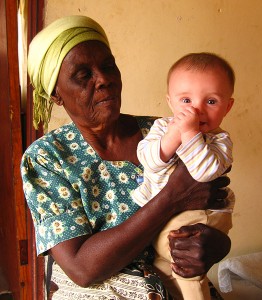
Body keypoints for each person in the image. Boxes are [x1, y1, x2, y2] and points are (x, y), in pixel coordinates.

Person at [21, 15, 231, 300]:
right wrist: (171, 197)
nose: (104, 79)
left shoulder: (165, 133)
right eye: (83, 75)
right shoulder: (48, 158)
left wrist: (215, 246)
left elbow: (212, 202)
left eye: (108, 66)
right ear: (57, 94)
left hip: (180, 284)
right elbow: (82, 269)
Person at [131, 52, 235, 299]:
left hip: (201, 217)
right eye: (186, 100)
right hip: (163, 218)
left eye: (211, 101)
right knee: (164, 269)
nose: (196, 110)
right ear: (170, 102)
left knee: (186, 267)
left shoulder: (220, 140)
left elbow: (204, 172)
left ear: (228, 107)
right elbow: (147, 160)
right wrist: (173, 136)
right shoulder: (161, 128)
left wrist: (189, 135)